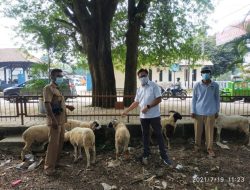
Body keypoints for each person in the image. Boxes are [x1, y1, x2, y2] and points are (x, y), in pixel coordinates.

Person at [121, 68, 172, 166]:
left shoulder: (154, 86)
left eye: (144, 76)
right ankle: (146, 153)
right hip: (143, 117)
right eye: (140, 76)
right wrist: (126, 111)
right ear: (138, 78)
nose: (142, 78)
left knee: (159, 135)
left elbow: (159, 99)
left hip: (154, 116)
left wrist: (148, 106)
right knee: (145, 135)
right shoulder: (139, 89)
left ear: (147, 76)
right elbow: (136, 102)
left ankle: (164, 155)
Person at [43, 68, 75, 175]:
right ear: (52, 77)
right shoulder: (48, 88)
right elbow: (47, 104)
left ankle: (56, 163)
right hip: (54, 121)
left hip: (61, 120)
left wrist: (68, 106)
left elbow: (58, 103)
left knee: (60, 142)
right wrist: (53, 120)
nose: (61, 78)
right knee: (53, 144)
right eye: (59, 76)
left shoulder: (57, 88)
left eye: (61, 76)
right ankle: (48, 168)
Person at [191, 66, 220, 157]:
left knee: (210, 132)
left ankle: (209, 149)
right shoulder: (197, 85)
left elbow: (217, 99)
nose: (206, 74)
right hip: (198, 111)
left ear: (210, 74)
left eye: (207, 72)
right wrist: (192, 110)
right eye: (204, 72)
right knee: (197, 131)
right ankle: (197, 147)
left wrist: (217, 110)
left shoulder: (215, 85)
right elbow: (194, 99)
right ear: (201, 74)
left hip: (211, 112)